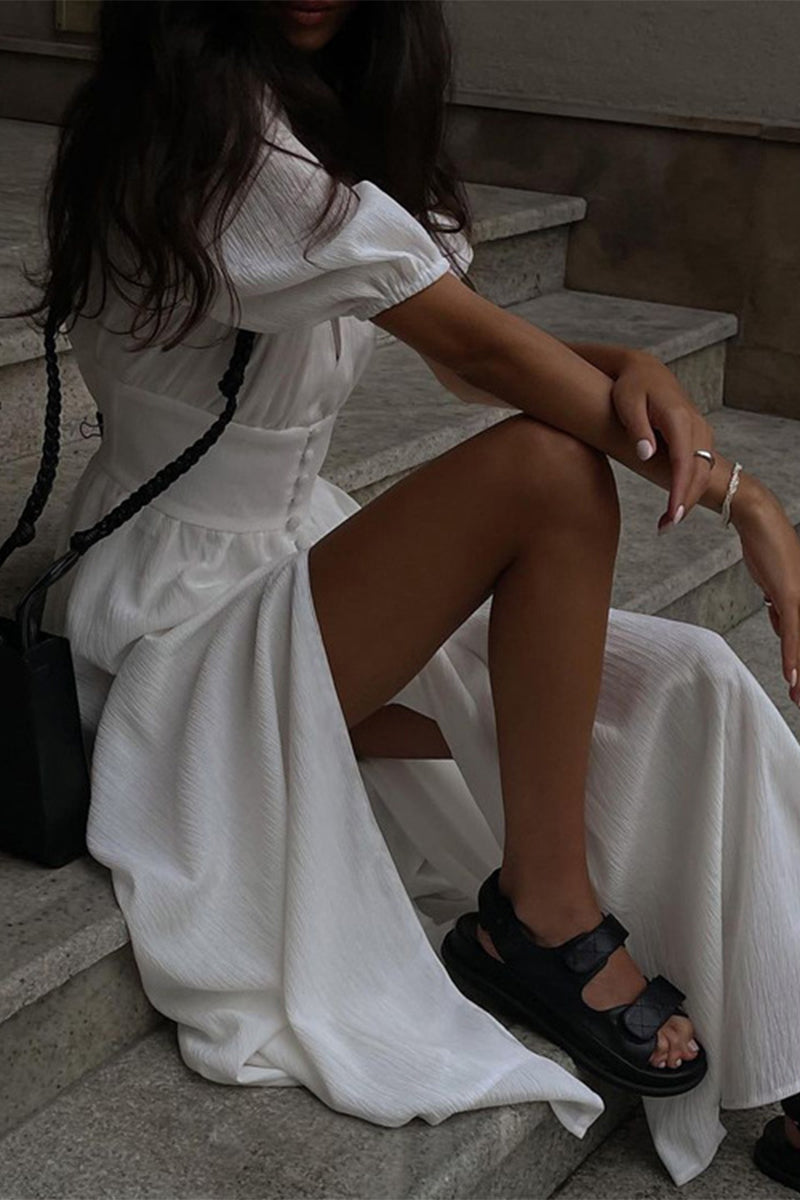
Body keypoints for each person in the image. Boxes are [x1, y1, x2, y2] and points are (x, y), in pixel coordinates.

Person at [5, 0, 800, 1190]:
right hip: (173, 618)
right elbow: (479, 356)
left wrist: (629, 365)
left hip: (301, 563)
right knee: (547, 477)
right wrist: (744, 499)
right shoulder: (212, 137)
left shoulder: (325, 125)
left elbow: (458, 350)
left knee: (679, 680)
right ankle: (541, 917)